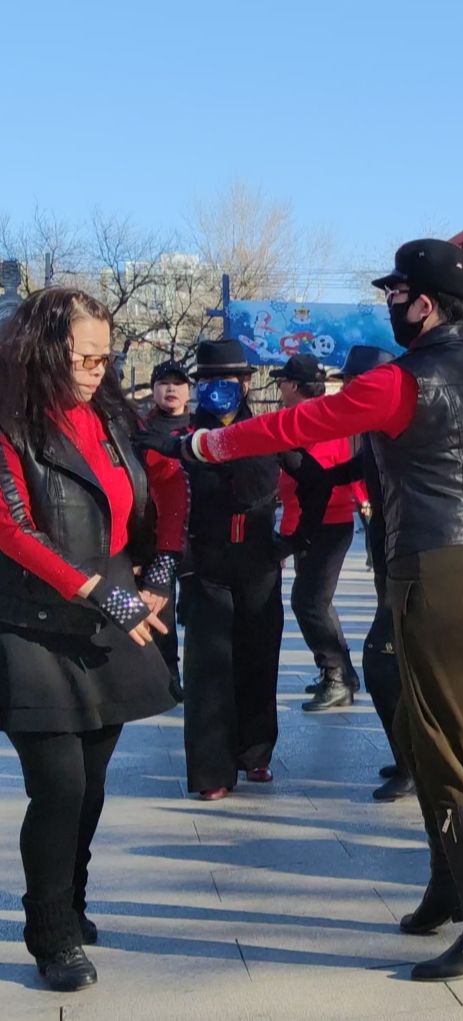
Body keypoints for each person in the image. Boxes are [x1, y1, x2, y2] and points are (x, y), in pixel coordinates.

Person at [143, 239, 463, 981]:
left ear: (425, 303)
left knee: (445, 747)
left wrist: (210, 443)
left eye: (396, 293)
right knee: (421, 728)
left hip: (437, 575)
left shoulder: (404, 381)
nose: (389, 305)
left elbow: (293, 427)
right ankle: (447, 887)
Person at [0, 288, 183, 991]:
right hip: (31, 619)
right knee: (60, 784)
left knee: (94, 780)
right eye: (85, 357)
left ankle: (72, 900)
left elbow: (164, 479)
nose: (98, 370)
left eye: (106, 356)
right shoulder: (9, 419)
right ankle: (47, 929)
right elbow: (13, 528)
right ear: (44, 350)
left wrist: (163, 559)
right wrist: (94, 587)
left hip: (107, 612)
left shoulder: (108, 414)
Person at [166, 338, 288, 801]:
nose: (221, 388)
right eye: (212, 380)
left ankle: (254, 753)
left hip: (258, 557)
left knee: (259, 657)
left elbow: (309, 477)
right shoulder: (183, 438)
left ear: (247, 383)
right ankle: (211, 770)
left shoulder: (267, 430)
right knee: (208, 666)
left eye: (231, 380)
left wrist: (294, 538)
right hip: (206, 559)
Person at [304, 344, 415, 801]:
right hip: (388, 551)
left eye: (354, 382)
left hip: (413, 556)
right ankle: (408, 754)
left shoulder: (405, 429)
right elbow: (360, 467)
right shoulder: (374, 432)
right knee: (392, 662)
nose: (349, 390)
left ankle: (414, 763)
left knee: (387, 662)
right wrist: (321, 476)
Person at [268, 353, 365, 711]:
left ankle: (337, 677)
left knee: (308, 602)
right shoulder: (304, 418)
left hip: (325, 523)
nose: (278, 388)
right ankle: (341, 672)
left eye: (280, 382)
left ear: (293, 386)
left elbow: (316, 482)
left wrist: (293, 538)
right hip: (312, 522)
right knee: (316, 601)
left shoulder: (318, 419)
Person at [141, 360, 192, 687]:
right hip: (155, 535)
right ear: (153, 389)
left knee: (198, 606)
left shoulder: (203, 427)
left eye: (178, 382)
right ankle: (165, 674)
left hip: (199, 532)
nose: (171, 389)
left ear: (189, 390)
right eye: (163, 382)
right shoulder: (138, 429)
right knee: (160, 604)